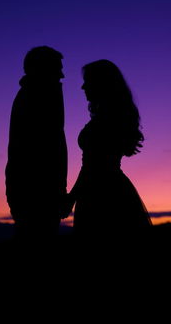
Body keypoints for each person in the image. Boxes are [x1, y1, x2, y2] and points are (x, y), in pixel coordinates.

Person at [62, 59, 152, 241]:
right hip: (111, 189)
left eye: (87, 81)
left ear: (100, 84)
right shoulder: (111, 117)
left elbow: (92, 167)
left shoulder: (106, 121)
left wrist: (71, 198)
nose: (83, 87)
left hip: (100, 195)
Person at [5, 46, 68, 240]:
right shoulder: (34, 98)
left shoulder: (43, 95)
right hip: (36, 196)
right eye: (56, 69)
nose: (62, 75)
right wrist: (57, 193)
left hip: (40, 194)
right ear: (41, 69)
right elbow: (39, 151)